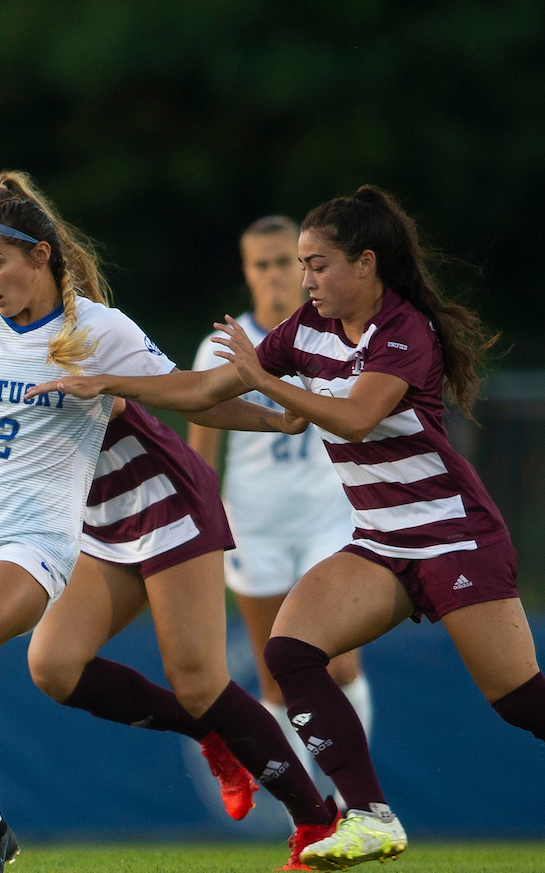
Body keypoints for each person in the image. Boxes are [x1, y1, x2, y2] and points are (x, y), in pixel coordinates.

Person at [23, 185, 545, 873]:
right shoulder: (304, 331)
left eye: (317, 265)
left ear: (366, 265)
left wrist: (265, 378)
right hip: (379, 541)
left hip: (452, 536)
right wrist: (108, 381)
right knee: (289, 651)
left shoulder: (406, 331)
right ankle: (368, 815)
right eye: (300, 265)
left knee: (521, 699)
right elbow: (202, 392)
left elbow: (353, 418)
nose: (305, 279)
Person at [0, 174, 341, 870]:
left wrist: (268, 415)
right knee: (53, 665)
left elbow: (190, 396)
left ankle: (317, 819)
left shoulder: (96, 330)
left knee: (199, 680)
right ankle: (208, 735)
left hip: (165, 505)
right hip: (98, 522)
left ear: (40, 257)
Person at [187, 216, 372, 801]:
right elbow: (204, 453)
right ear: (246, 273)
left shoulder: (335, 334)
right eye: (259, 264)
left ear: (304, 267)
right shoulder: (223, 345)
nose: (273, 275)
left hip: (329, 522)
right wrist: (206, 529)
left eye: (282, 262)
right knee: (275, 679)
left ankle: (352, 800)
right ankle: (307, 815)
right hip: (256, 528)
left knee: (339, 665)